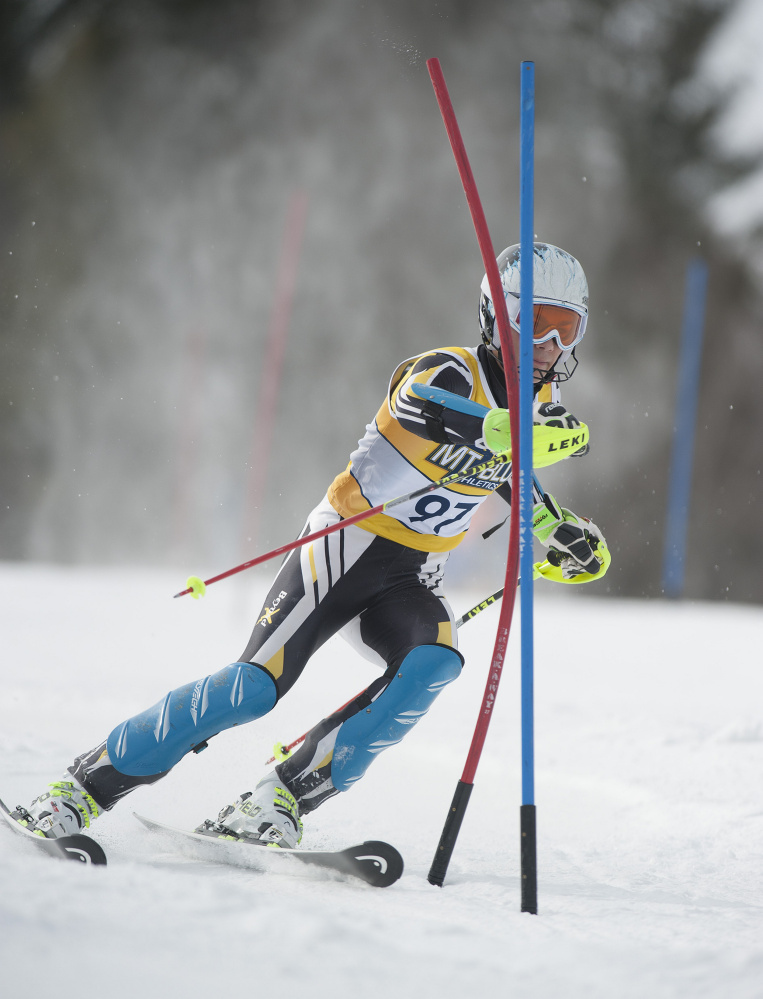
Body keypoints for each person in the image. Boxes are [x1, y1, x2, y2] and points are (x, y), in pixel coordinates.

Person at [12, 242, 609, 847]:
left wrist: (559, 535)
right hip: (344, 549)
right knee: (253, 689)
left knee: (434, 662)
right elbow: (420, 405)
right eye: (537, 324)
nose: (551, 345)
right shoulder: (447, 371)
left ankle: (277, 801)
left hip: (414, 575)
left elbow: (515, 481)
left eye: (568, 329)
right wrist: (496, 428)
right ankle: (80, 789)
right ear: (495, 315)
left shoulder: (540, 408)